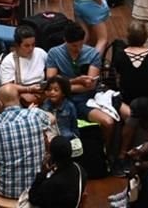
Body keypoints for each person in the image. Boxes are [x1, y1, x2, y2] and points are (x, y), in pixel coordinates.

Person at [45, 24, 128, 158]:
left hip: (90, 97)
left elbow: (90, 85)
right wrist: (77, 80)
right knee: (108, 122)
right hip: (68, 101)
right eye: (73, 46)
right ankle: (104, 155)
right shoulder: (54, 53)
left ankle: (110, 154)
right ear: (65, 41)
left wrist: (63, 86)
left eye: (80, 45)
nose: (77, 49)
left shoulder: (92, 54)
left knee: (120, 117)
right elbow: (51, 81)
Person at [0, 84, 52, 199]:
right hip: (36, 190)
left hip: (7, 191)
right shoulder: (35, 115)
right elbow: (52, 119)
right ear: (19, 98)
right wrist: (33, 111)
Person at [110, 22, 148, 104]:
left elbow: (118, 79)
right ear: (146, 37)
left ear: (128, 37)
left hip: (127, 98)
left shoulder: (120, 55)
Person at [27, 135, 86, 208]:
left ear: (52, 156)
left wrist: (42, 173)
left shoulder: (51, 184)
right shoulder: (80, 170)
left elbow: (32, 198)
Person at [0, 25, 48, 105]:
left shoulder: (41, 53)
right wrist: (28, 89)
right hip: (21, 91)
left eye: (33, 45)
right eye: (27, 46)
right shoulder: (9, 61)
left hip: (41, 90)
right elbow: (7, 88)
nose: (31, 48)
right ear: (17, 46)